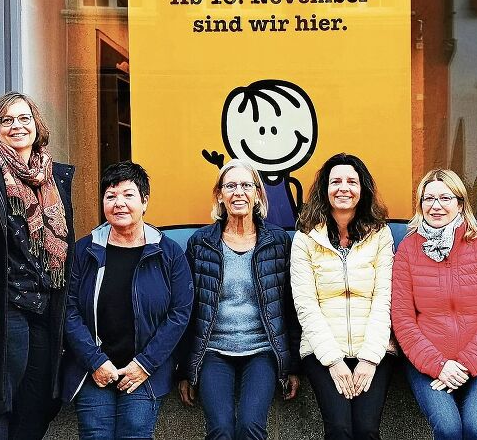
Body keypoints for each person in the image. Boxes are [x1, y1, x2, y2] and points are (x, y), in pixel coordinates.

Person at [0, 91, 75, 440]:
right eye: (6, 120)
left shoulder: (55, 177)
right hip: (3, 306)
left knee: (39, 404)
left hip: (46, 304)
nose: (17, 126)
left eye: (24, 119)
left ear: (37, 126)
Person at [61, 161, 193, 439]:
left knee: (135, 432)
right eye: (111, 196)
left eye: (128, 195)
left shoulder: (168, 253)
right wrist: (94, 361)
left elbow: (180, 312)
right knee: (95, 434)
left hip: (145, 370)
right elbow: (68, 309)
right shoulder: (85, 251)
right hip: (92, 367)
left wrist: (145, 364)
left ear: (144, 202)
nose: (119, 203)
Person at [178, 158, 300, 440]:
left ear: (257, 193)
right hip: (213, 351)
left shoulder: (278, 242)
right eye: (230, 185)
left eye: (246, 185)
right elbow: (187, 309)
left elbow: (290, 307)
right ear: (219, 194)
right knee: (220, 429)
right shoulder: (201, 243)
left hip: (261, 351)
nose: (238, 192)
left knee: (250, 426)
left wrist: (293, 365)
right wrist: (184, 370)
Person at [392, 169, 477, 440]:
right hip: (427, 362)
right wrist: (439, 366)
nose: (436, 206)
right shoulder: (409, 249)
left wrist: (466, 364)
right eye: (428, 198)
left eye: (445, 198)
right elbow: (402, 319)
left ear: (460, 204)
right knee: (448, 429)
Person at [290, 152, 395, 440]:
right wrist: (333, 361)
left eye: (352, 181)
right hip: (323, 349)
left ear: (363, 189)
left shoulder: (380, 234)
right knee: (339, 429)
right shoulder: (306, 237)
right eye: (335, 181)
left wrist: (370, 359)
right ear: (325, 189)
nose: (343, 188)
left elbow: (384, 299)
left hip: (373, 348)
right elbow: (306, 304)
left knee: (366, 430)